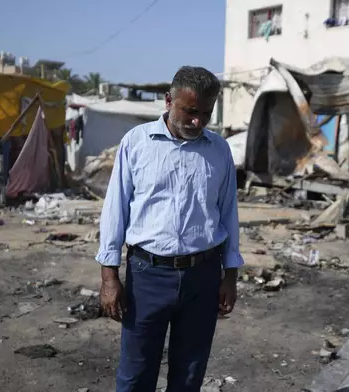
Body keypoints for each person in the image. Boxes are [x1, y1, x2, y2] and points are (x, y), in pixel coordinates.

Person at [96, 66, 244, 392]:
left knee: (189, 376)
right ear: (168, 101)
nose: (197, 122)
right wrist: (109, 277)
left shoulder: (219, 150)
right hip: (147, 276)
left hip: (202, 278)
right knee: (135, 375)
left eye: (205, 114)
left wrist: (230, 275)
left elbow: (228, 214)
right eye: (190, 112)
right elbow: (115, 211)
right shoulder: (136, 143)